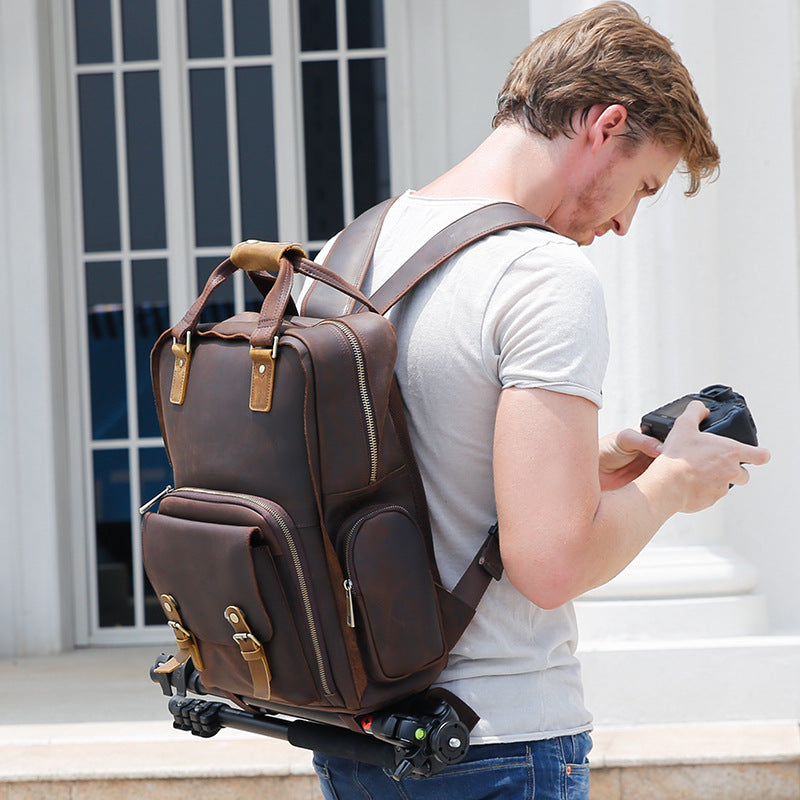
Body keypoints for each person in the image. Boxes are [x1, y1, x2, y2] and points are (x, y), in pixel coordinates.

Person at [309, 3, 771, 798]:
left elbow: (407, 465)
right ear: (606, 124)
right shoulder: (541, 273)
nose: (627, 222)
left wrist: (589, 469)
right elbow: (549, 565)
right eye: (643, 186)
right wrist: (672, 487)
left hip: (359, 742)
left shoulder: (352, 248)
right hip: (492, 742)